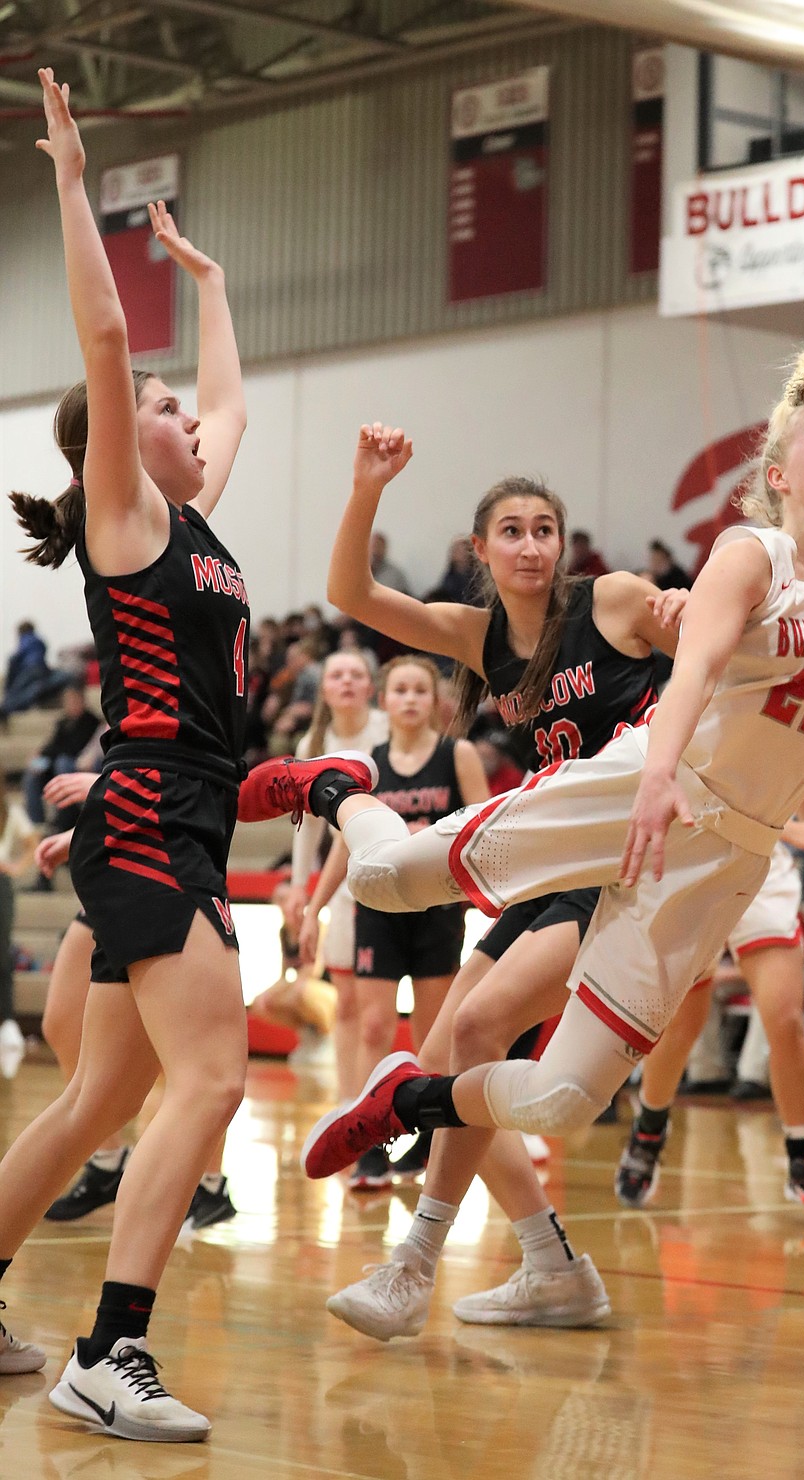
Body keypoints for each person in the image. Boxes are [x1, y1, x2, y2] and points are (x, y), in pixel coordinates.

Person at [261, 221, 804, 1192]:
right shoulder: (709, 566)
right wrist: (663, 766)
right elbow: (701, 663)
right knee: (397, 894)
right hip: (628, 794)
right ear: (778, 474)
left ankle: (423, 1123)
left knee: (556, 1091)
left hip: (711, 838)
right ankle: (339, 787)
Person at [299, 450, 693, 1336]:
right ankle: (552, 1265)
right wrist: (366, 486)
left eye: (544, 530)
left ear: (563, 544)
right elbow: (353, 595)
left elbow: (716, 652)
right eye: (511, 532)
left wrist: (690, 612)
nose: (530, 546)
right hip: (554, 861)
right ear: (482, 548)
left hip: (620, 864)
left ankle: (415, 1265)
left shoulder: (615, 600)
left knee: (474, 1035)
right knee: (450, 1063)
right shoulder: (479, 638)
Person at [0, 71, 249, 1440]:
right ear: (118, 446)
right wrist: (73, 183)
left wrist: (206, 283)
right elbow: (103, 337)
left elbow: (227, 398)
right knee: (211, 1081)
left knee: (103, 1091)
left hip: (170, 810)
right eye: (159, 408)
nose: (186, 415)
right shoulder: (128, 516)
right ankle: (112, 1352)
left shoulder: (201, 529)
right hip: (153, 810)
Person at [301, 655, 489, 1190]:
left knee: (431, 1035)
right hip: (377, 911)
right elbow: (344, 845)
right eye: (400, 690)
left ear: (436, 702)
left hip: (437, 914)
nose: (409, 698)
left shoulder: (460, 755)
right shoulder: (366, 767)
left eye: (419, 690)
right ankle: (367, 1142)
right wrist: (314, 907)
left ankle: (425, 1137)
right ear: (384, 701)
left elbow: (483, 828)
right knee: (375, 1026)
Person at [614, 836, 804, 1213]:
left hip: (761, 861)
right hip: (693, 856)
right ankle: (648, 1130)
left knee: (786, 1019)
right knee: (683, 1025)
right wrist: (798, 833)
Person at [32, 808, 239, 1232]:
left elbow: (183, 779)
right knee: (62, 1023)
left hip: (166, 865)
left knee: (180, 1056)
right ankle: (108, 1162)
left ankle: (209, 1183)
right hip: (115, 863)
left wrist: (93, 809)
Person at [284, 650, 387, 1108]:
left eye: (356, 674)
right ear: (324, 689)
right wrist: (299, 887)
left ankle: (382, 1103)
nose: (346, 682)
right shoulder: (312, 744)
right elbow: (307, 826)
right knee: (347, 1003)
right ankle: (349, 1105)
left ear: (370, 687)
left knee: (378, 1013)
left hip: (398, 874)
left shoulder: (388, 730)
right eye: (336, 674)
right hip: (349, 879)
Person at [21, 682, 101, 828]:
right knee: (33, 772)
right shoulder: (63, 722)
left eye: (74, 700)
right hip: (56, 761)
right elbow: (53, 745)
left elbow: (74, 748)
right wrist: (39, 754)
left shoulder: (91, 721)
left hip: (76, 765)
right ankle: (37, 824)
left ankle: (65, 819)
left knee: (62, 763)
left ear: (82, 700)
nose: (71, 704)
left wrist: (51, 753)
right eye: (68, 701)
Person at [0, 790, 37, 1061]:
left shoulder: (9, 812)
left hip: (0, 885)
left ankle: (7, 1021)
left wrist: (17, 867)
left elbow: (32, 840)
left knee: (2, 956)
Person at [0, 620, 70, 721]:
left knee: (16, 691)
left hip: (29, 670)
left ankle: (6, 709)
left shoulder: (25, 640)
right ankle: (8, 708)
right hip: (41, 669)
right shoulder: (39, 640)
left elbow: (15, 659)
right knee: (33, 689)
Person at [369, 530, 412, 595]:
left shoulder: (396, 575)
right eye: (373, 546)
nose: (375, 550)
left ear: (385, 548)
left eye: (379, 546)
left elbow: (406, 597)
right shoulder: (357, 571)